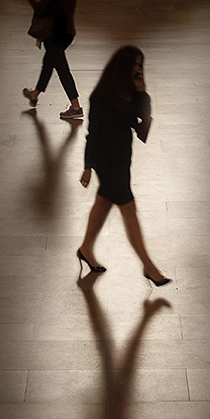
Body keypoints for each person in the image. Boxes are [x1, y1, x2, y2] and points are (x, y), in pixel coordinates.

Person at [76, 45, 170, 285]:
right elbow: (92, 132)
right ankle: (149, 267)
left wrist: (142, 90)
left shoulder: (128, 91)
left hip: (121, 157)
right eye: (135, 64)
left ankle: (86, 248)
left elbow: (141, 118)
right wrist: (87, 165)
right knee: (128, 208)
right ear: (124, 65)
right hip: (106, 160)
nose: (138, 69)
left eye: (141, 65)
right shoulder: (102, 94)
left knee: (104, 201)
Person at [22, 0, 83, 120]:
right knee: (49, 63)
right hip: (67, 33)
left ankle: (76, 107)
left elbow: (41, 8)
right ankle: (34, 96)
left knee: (61, 69)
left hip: (53, 33)